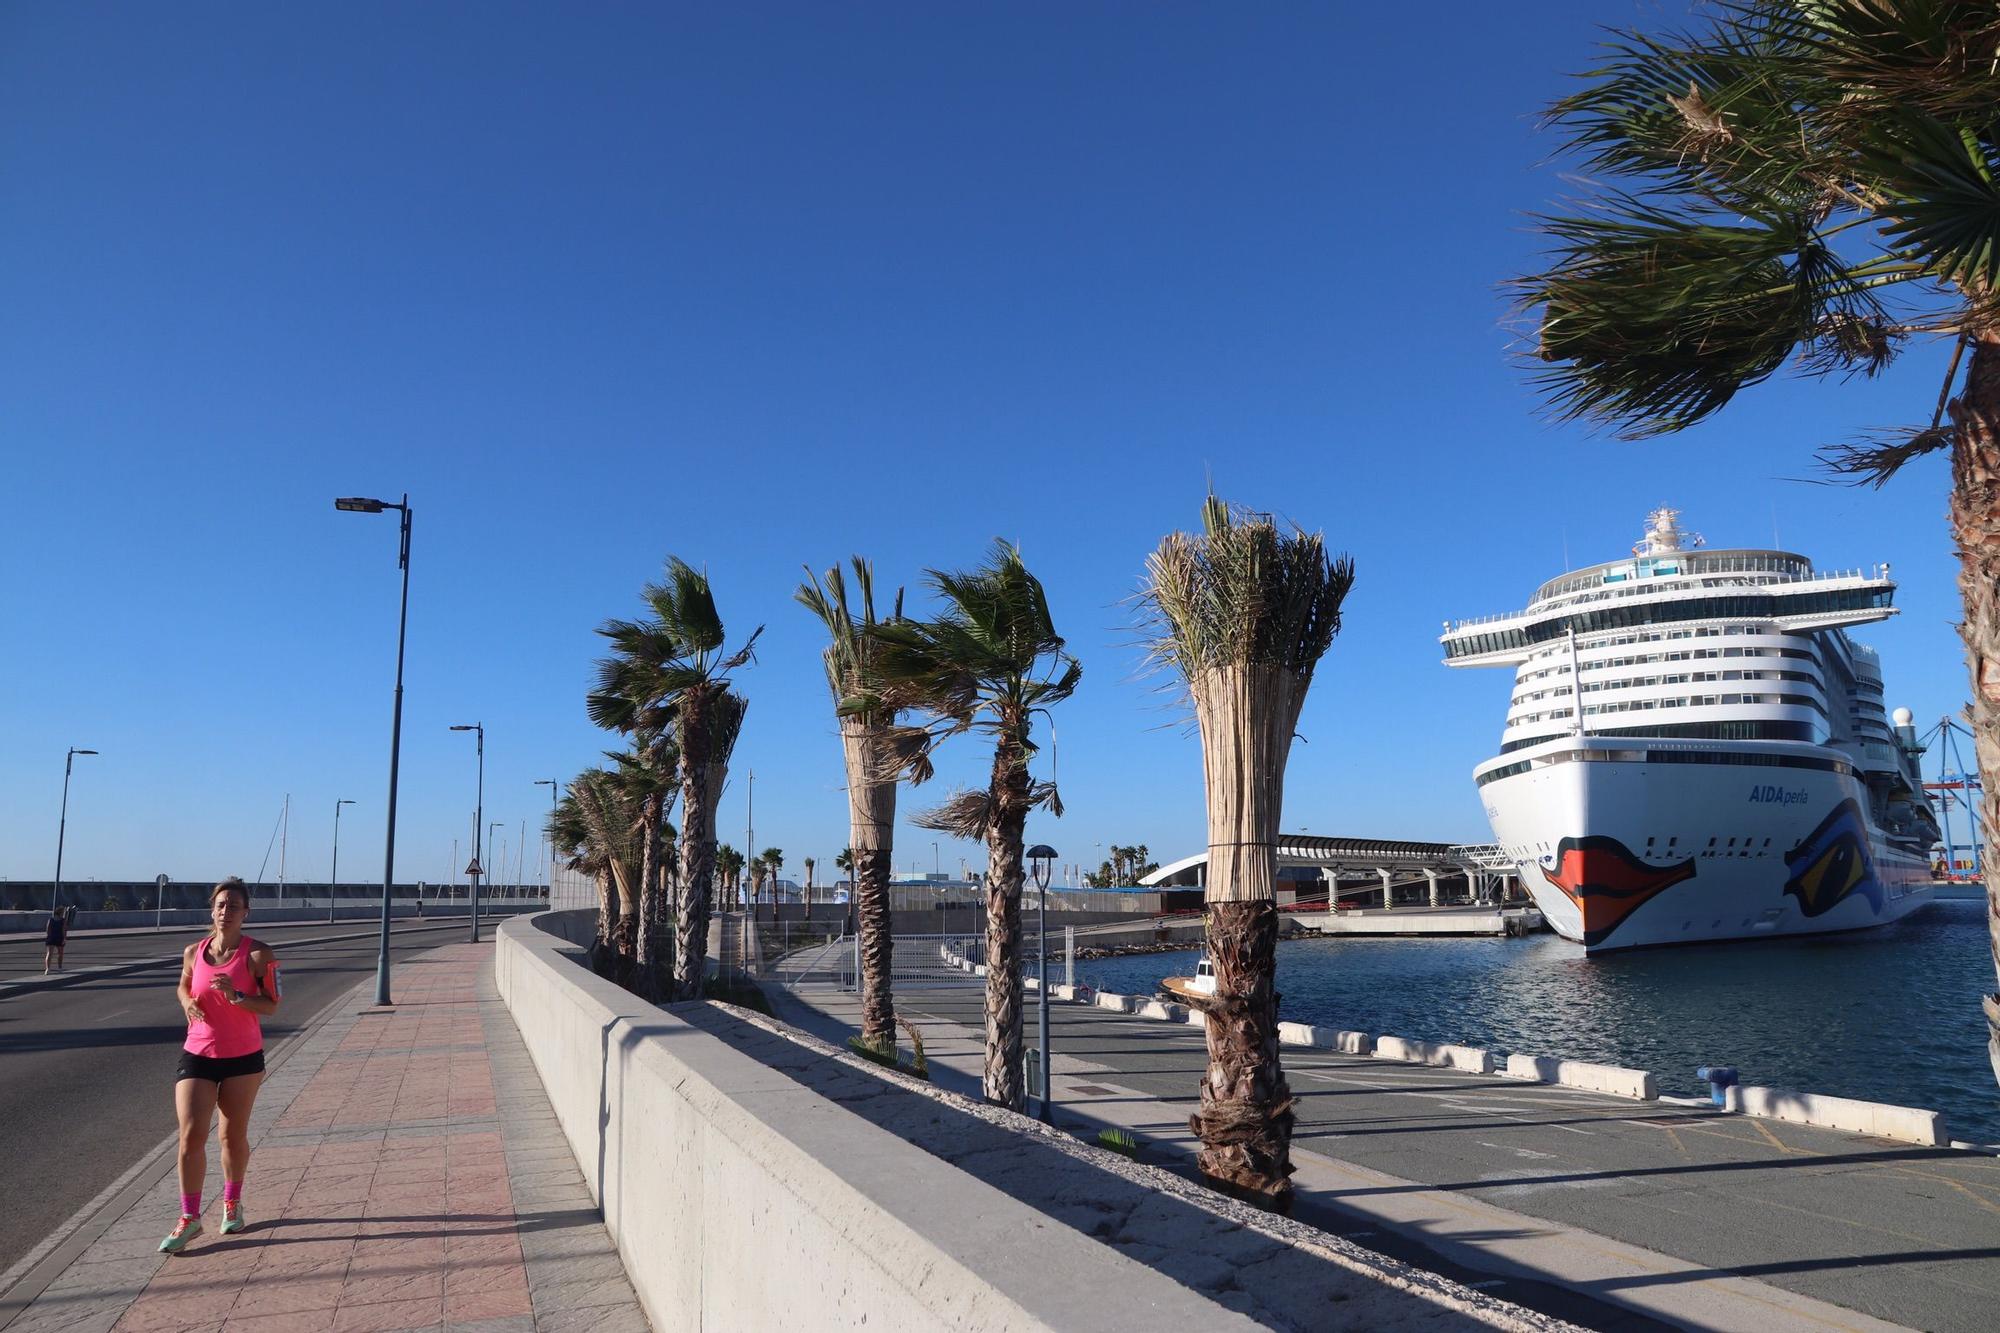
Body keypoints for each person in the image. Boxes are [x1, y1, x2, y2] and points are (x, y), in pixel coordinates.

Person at [161, 878, 281, 1254]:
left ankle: (232, 1203)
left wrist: (237, 996)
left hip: (243, 1058)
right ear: (211, 910)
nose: (225, 911)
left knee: (231, 1135)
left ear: (246, 913)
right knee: (190, 1135)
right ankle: (189, 1217)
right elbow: (183, 985)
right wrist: (186, 1002)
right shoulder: (193, 952)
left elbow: (271, 1005)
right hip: (197, 1052)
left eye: (233, 906)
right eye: (220, 905)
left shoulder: (258, 955)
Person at [41, 907, 67, 973]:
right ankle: (60, 968)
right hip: (59, 937)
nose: (63, 913)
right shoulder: (63, 920)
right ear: (60, 913)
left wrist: (49, 936)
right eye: (63, 912)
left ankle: (47, 969)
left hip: (51, 938)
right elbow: (64, 930)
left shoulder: (51, 919)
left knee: (49, 953)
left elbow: (48, 929)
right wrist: (64, 938)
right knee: (60, 953)